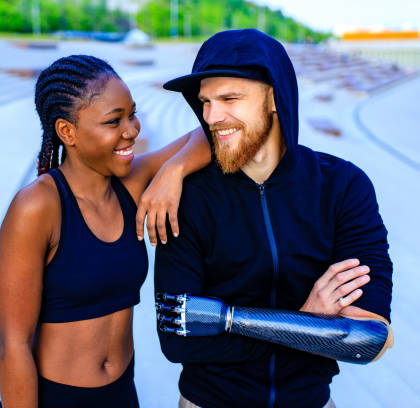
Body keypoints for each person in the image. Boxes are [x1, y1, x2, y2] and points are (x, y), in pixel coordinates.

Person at [154, 29, 394, 408]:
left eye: (230, 98)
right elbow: (177, 336)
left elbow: (368, 338)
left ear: (274, 98)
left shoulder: (343, 186)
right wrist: (307, 322)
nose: (212, 117)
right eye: (205, 102)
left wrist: (225, 321)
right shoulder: (189, 199)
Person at [0, 55, 211, 408]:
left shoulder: (130, 184)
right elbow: (13, 346)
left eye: (132, 114)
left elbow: (207, 135)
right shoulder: (37, 207)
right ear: (67, 132)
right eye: (114, 121)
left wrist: (173, 171)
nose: (132, 130)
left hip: (123, 393)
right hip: (57, 398)